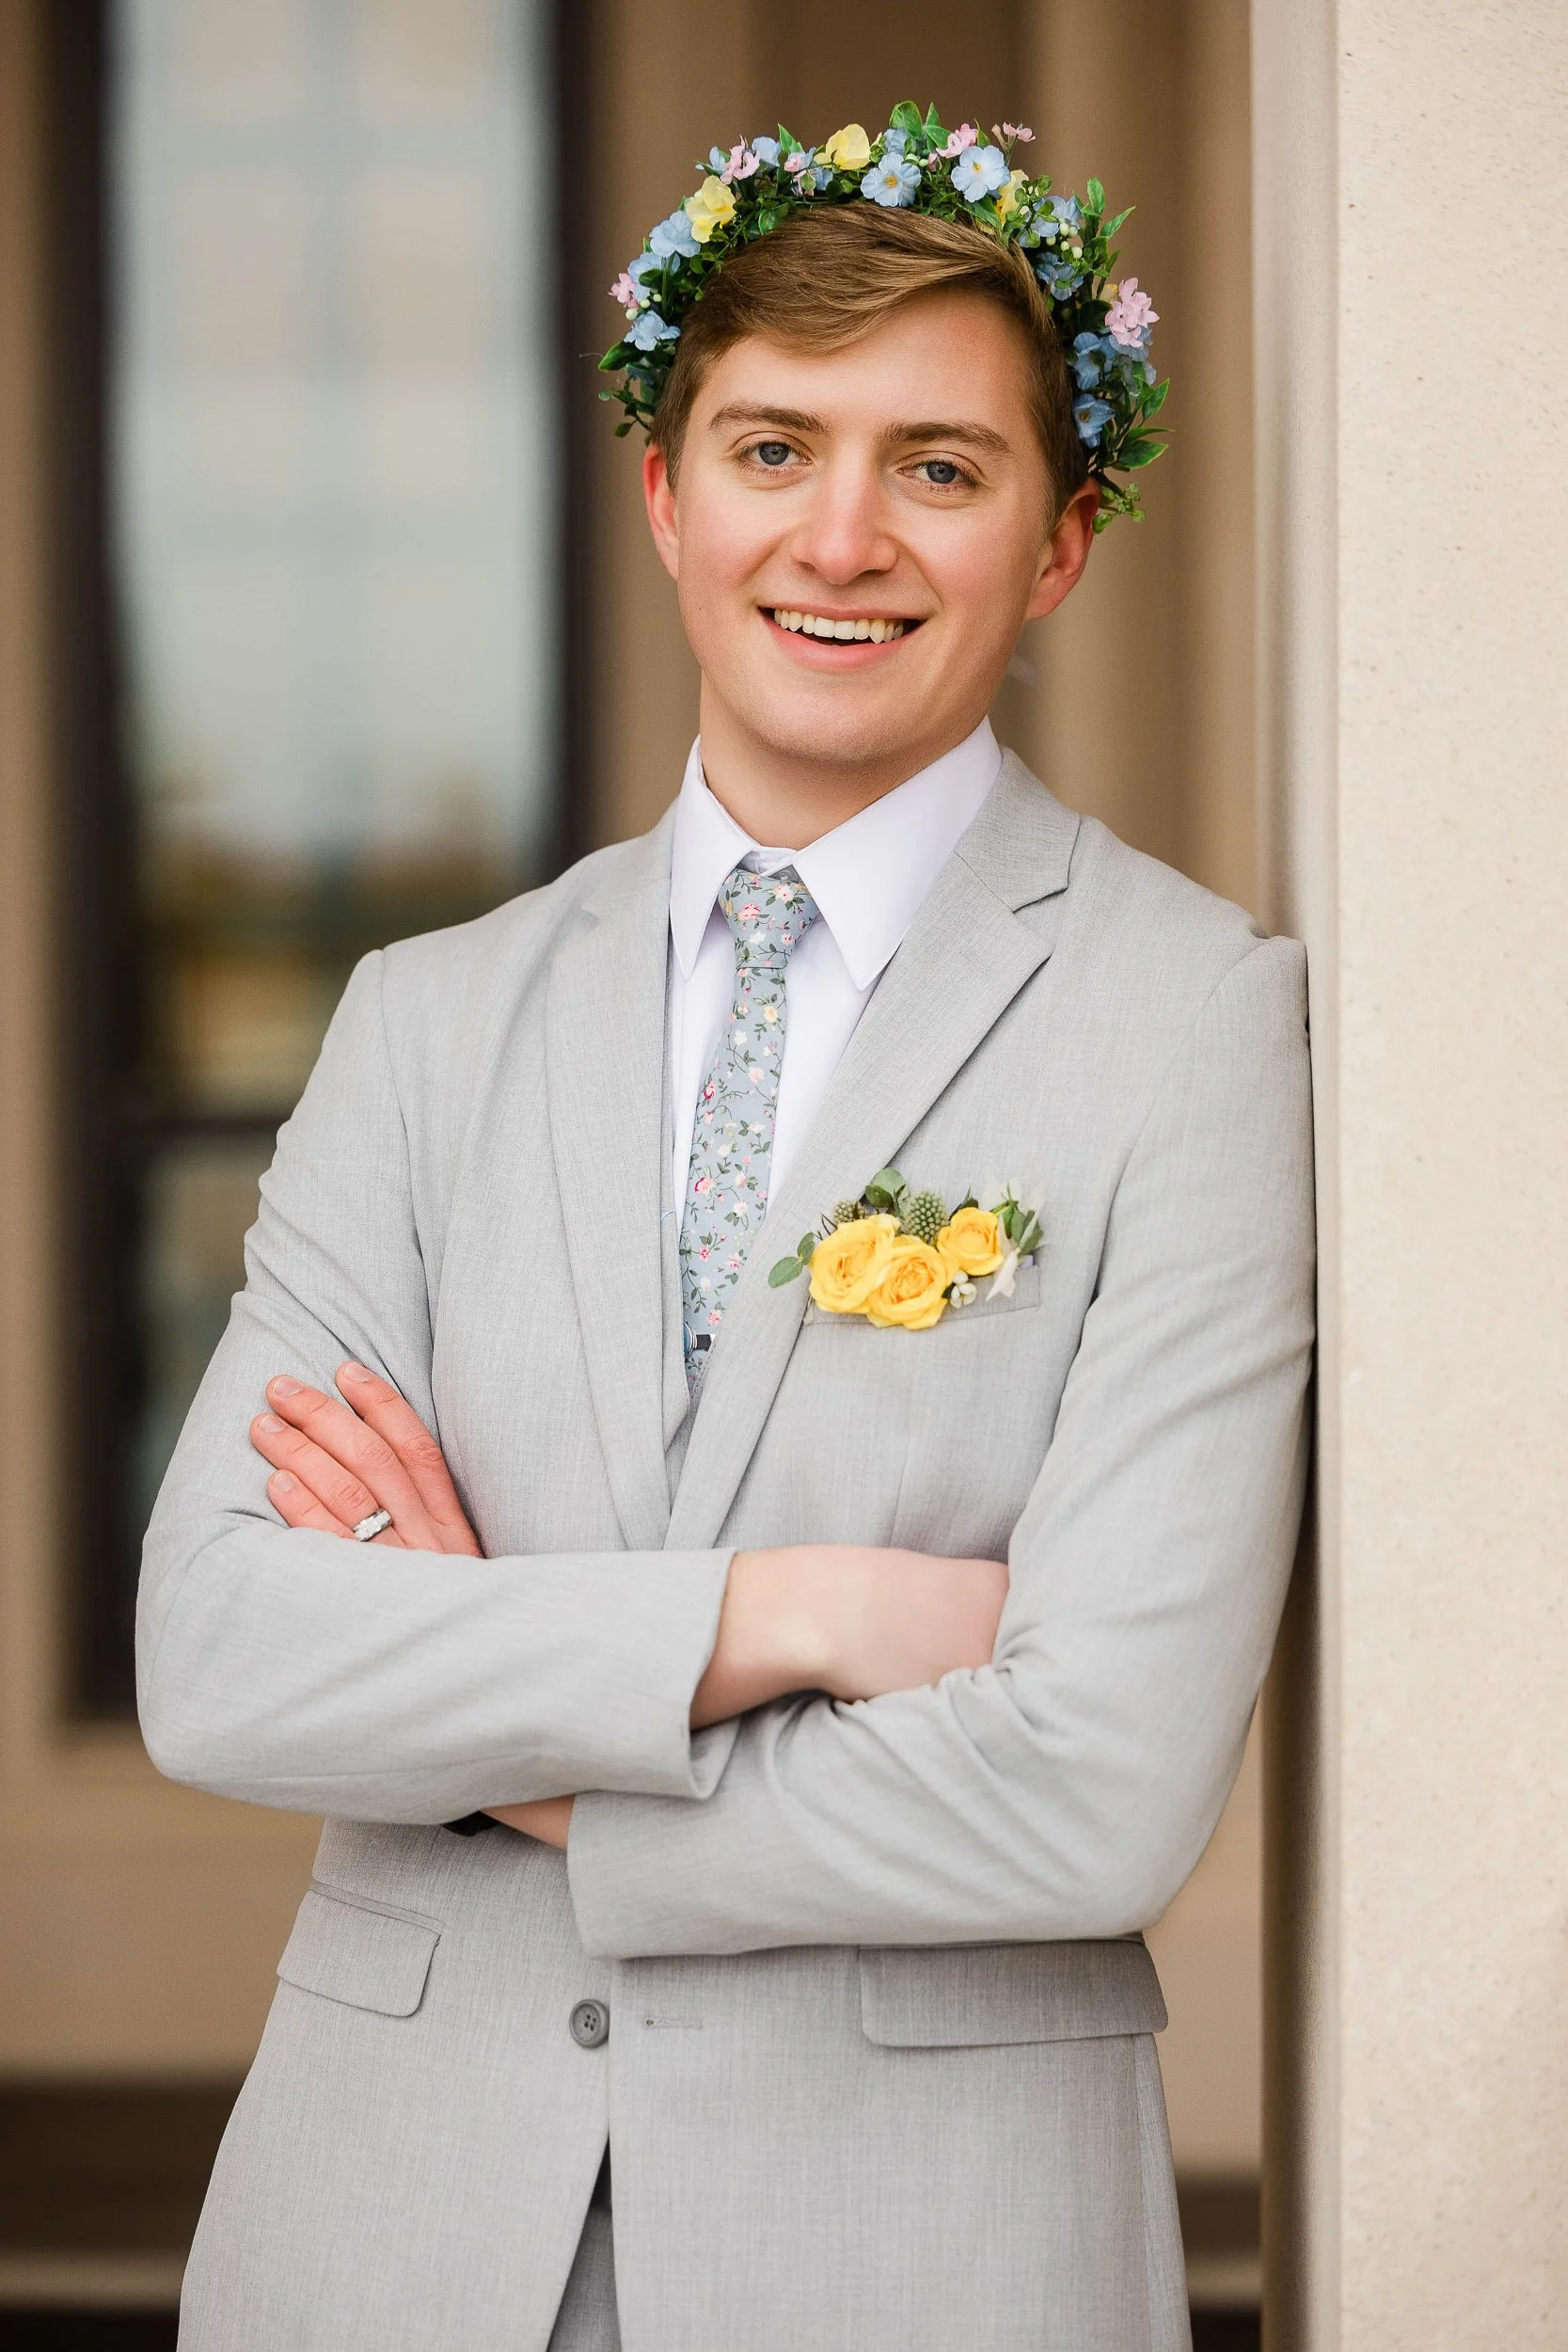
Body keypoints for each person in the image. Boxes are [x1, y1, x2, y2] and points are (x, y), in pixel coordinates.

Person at [140, 109, 1314, 2352]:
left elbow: (1093, 1792)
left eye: (939, 469)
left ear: (1060, 539)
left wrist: (515, 1744)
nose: (841, 535)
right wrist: (795, 1610)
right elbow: (218, 1644)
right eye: (774, 446)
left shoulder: (1190, 1017)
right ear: (671, 496)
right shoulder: (424, 1017)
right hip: (378, 2234)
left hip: (921, 2253)